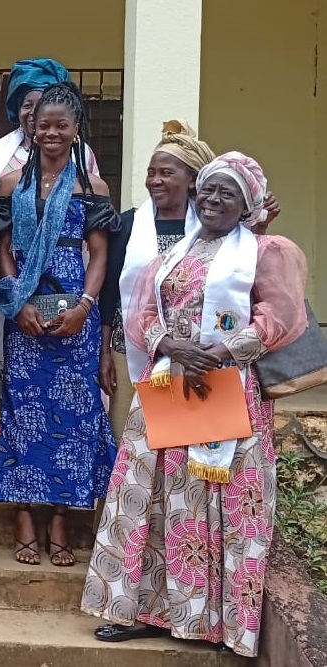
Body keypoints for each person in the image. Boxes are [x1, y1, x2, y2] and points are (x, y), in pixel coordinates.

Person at [82, 152, 308, 658]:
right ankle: (148, 609)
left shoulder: (264, 251)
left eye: (227, 193)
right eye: (208, 190)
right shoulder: (174, 254)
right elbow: (140, 311)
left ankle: (217, 621)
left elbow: (281, 315)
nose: (212, 200)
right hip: (171, 384)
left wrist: (225, 349)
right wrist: (168, 343)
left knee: (219, 503)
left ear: (246, 204)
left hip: (230, 390)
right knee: (157, 498)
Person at [0, 82, 119, 567]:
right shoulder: (10, 185)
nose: (52, 133)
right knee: (24, 414)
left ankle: (60, 518)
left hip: (75, 318)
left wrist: (84, 306)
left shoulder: (93, 189)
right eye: (44, 125)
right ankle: (24, 515)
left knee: (74, 419)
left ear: (76, 129)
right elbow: (2, 250)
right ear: (31, 128)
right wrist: (17, 304)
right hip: (27, 316)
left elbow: (100, 256)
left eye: (62, 125)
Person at [98, 121, 279, 441]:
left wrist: (257, 226)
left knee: (190, 444)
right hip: (132, 350)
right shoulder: (128, 224)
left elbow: (244, 280)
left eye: (166, 173)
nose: (155, 180)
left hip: (203, 354)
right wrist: (104, 354)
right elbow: (111, 291)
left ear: (194, 180)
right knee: (132, 437)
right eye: (152, 172)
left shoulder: (217, 227)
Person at [0, 58, 99, 189]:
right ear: (18, 109)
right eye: (27, 105)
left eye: (41, 105)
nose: (34, 112)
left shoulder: (83, 153)